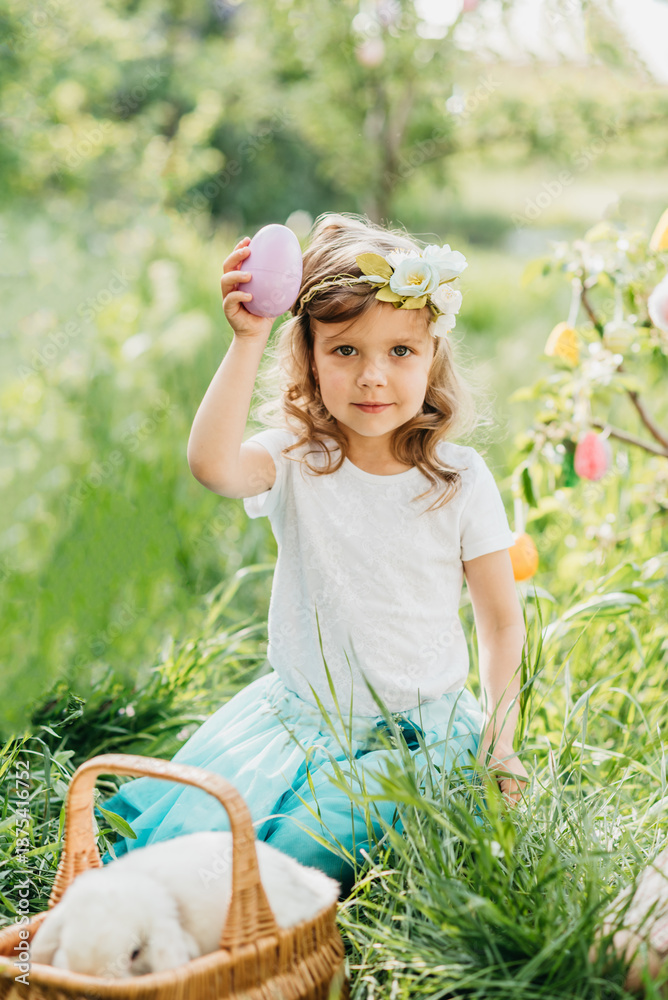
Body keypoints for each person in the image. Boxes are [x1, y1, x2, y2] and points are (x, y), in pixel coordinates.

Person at [99, 212, 530, 898]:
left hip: (422, 734)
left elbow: (502, 622)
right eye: (345, 351)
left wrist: (500, 740)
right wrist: (248, 339)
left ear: (433, 356)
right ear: (308, 356)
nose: (372, 377)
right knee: (215, 854)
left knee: (316, 853)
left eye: (400, 352)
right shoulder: (298, 459)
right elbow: (212, 465)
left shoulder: (460, 479)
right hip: (300, 723)